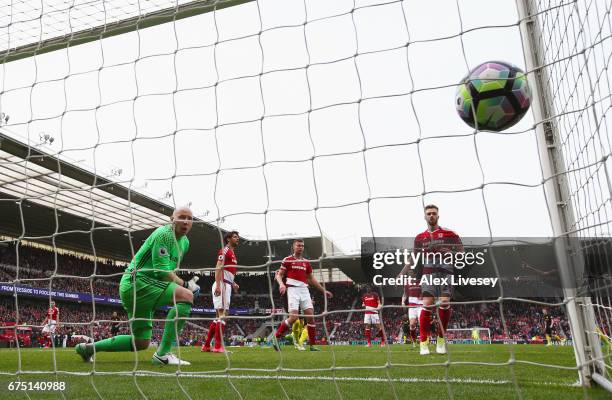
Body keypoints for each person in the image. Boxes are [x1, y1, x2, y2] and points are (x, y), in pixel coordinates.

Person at [75, 206, 200, 366]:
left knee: (141, 342)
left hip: (142, 286)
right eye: (181, 217)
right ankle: (163, 355)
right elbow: (161, 271)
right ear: (171, 219)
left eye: (190, 218)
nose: (186, 221)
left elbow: (167, 271)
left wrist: (183, 286)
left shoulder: (185, 242)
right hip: (137, 283)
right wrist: (186, 285)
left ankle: (88, 348)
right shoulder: (164, 234)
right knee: (186, 296)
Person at [409, 204, 463, 355]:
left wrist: (450, 252)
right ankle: (423, 344)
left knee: (445, 303)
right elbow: (416, 258)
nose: (431, 215)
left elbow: (461, 251)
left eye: (434, 213)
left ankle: (440, 341)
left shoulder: (449, 233)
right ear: (425, 217)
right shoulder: (419, 237)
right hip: (428, 272)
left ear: (438, 216)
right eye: (429, 213)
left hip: (446, 271)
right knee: (427, 304)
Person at [272, 239, 332, 352]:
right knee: (294, 317)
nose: (301, 247)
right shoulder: (287, 260)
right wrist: (281, 285)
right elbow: (279, 275)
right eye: (298, 245)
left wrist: (323, 291)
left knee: (311, 318)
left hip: (304, 290)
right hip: (292, 290)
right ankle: (276, 337)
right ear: (293, 247)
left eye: (302, 246)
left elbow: (311, 279)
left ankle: (312, 346)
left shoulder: (306, 262)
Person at [201, 231, 240, 353]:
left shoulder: (232, 253)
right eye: (235, 237)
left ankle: (207, 345)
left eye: (238, 237)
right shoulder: (225, 250)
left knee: (218, 316)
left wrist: (233, 283)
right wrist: (218, 285)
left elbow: (228, 271)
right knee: (223, 314)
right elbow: (218, 267)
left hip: (226, 284)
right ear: (228, 239)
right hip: (222, 284)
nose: (237, 238)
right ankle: (218, 346)